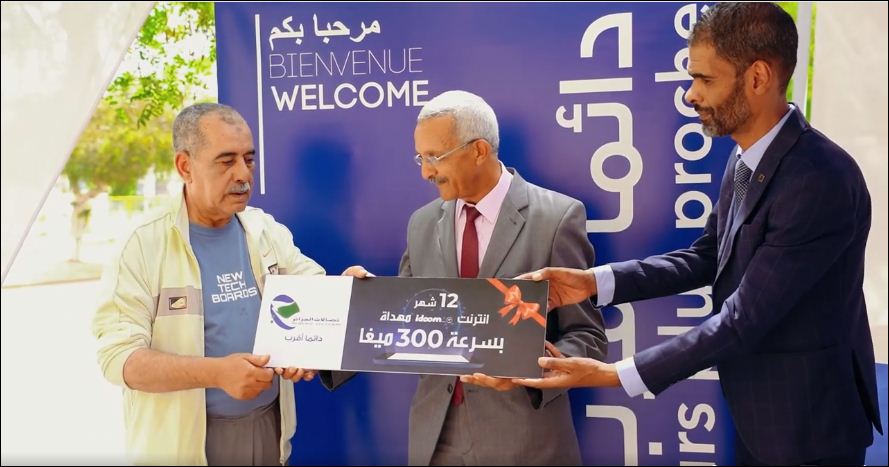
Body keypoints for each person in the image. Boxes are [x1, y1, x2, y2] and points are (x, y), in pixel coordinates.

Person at [513, 3, 883, 465]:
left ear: (758, 77)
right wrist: (593, 283)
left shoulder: (817, 178)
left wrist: (614, 374)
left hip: (810, 429)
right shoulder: (747, 156)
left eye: (705, 79)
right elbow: (707, 256)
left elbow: (743, 320)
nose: (690, 95)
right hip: (757, 417)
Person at [92, 103, 324, 465]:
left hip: (268, 431)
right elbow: (119, 359)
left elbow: (313, 288)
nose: (243, 174)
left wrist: (342, 296)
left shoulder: (264, 229)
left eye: (249, 159)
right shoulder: (143, 245)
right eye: (226, 161)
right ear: (185, 166)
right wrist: (216, 373)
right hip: (183, 447)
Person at [387, 89, 607, 465]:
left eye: (435, 157)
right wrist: (367, 297)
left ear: (478, 150)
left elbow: (587, 335)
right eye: (420, 158)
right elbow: (404, 320)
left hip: (525, 444)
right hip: (435, 441)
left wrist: (533, 367)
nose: (425, 172)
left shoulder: (556, 218)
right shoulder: (421, 223)